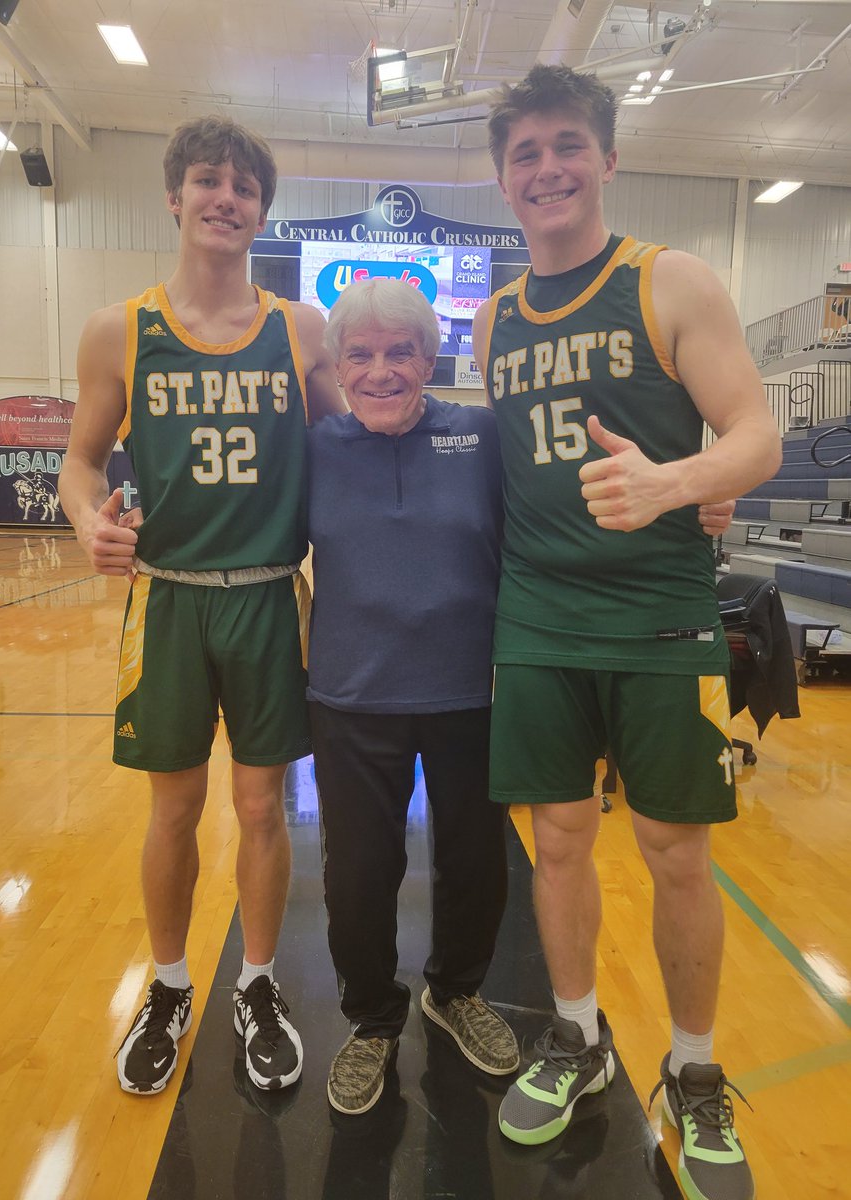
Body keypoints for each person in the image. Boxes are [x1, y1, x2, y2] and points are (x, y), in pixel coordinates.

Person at [472, 65, 782, 1200]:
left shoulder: (671, 280)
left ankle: (694, 1074)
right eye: (525, 153)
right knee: (557, 842)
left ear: (606, 158)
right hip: (538, 621)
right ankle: (574, 1035)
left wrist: (680, 482)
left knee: (674, 855)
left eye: (567, 146)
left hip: (658, 621)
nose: (545, 168)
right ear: (503, 176)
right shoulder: (495, 315)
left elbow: (756, 436)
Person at [59, 116, 343, 1097]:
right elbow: (79, 464)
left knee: (262, 807)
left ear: (263, 209)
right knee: (173, 806)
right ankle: (172, 985)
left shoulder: (299, 328)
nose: (227, 198)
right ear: (174, 197)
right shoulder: (119, 329)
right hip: (170, 600)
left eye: (245, 187)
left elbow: (352, 452)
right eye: (209, 181)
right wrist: (88, 520)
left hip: (270, 596)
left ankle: (256, 985)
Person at [306, 278, 518, 1115]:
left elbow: (563, 511)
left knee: (473, 863)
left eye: (401, 352)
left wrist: (699, 502)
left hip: (471, 691)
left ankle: (455, 991)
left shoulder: (484, 436)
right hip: (352, 696)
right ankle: (371, 1020)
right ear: (338, 365)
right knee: (358, 873)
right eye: (360, 354)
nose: (382, 370)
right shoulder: (315, 446)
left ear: (432, 359)